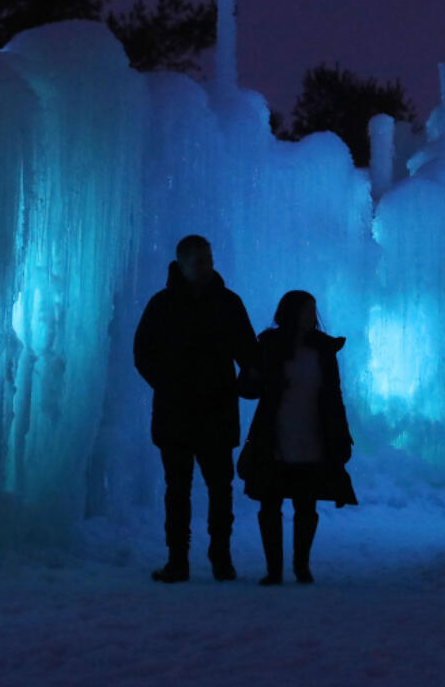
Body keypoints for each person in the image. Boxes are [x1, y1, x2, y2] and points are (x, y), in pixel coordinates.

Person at [133, 235, 259, 583]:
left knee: (218, 489)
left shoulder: (227, 303)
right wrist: (170, 383)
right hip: (179, 412)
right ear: (182, 264)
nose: (207, 266)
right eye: (200, 261)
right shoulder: (162, 305)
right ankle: (180, 560)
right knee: (179, 490)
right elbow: (142, 354)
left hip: (213, 411)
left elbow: (247, 352)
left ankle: (219, 557)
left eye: (209, 259)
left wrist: (250, 379)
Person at [238, 290, 357, 585]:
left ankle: (301, 566)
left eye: (313, 310)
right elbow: (249, 389)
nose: (311, 316)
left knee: (306, 503)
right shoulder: (270, 345)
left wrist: (341, 434)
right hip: (275, 433)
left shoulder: (323, 349)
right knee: (271, 503)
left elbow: (333, 395)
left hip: (311, 434)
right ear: (291, 313)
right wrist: (254, 375)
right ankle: (275, 569)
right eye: (306, 310)